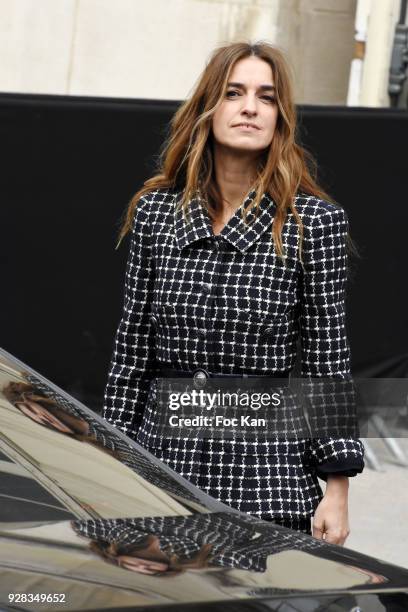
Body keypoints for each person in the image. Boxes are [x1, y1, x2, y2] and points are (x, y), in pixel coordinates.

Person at [103, 41, 365, 542]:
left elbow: (326, 358)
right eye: (234, 93)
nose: (250, 107)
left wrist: (336, 489)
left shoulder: (314, 223)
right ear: (208, 108)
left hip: (267, 478)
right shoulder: (157, 215)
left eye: (266, 97)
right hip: (161, 471)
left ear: (280, 118)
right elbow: (131, 353)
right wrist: (110, 462)